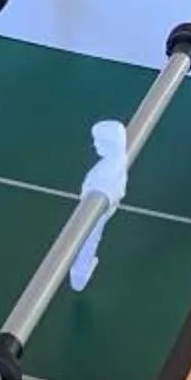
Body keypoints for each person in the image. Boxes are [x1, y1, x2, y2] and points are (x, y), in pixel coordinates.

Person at [70, 120, 132, 292]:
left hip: (98, 206)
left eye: (99, 140)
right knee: (90, 237)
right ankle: (80, 273)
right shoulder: (118, 159)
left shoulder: (108, 169)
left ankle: (79, 275)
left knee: (88, 237)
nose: (95, 144)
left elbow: (100, 187)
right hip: (102, 203)